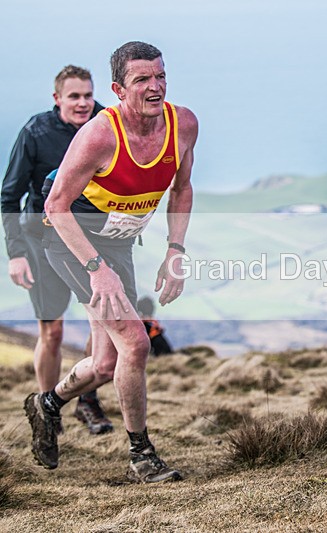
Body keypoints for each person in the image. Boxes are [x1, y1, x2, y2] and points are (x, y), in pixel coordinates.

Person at [23, 41, 198, 483]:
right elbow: (55, 205)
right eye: (143, 80)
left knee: (105, 364)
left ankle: (46, 403)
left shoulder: (184, 125)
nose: (155, 87)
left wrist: (175, 250)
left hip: (119, 244)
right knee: (136, 344)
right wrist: (96, 270)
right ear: (119, 89)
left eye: (160, 76)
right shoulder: (99, 136)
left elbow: (181, 188)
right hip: (70, 240)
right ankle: (141, 455)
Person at [1, 65, 114, 435]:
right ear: (57, 99)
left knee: (101, 327)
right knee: (52, 332)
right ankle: (47, 410)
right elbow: (9, 195)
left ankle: (88, 400)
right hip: (41, 242)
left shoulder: (105, 123)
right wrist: (15, 253)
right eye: (74, 96)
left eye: (88, 95)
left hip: (92, 241)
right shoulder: (36, 132)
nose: (83, 103)